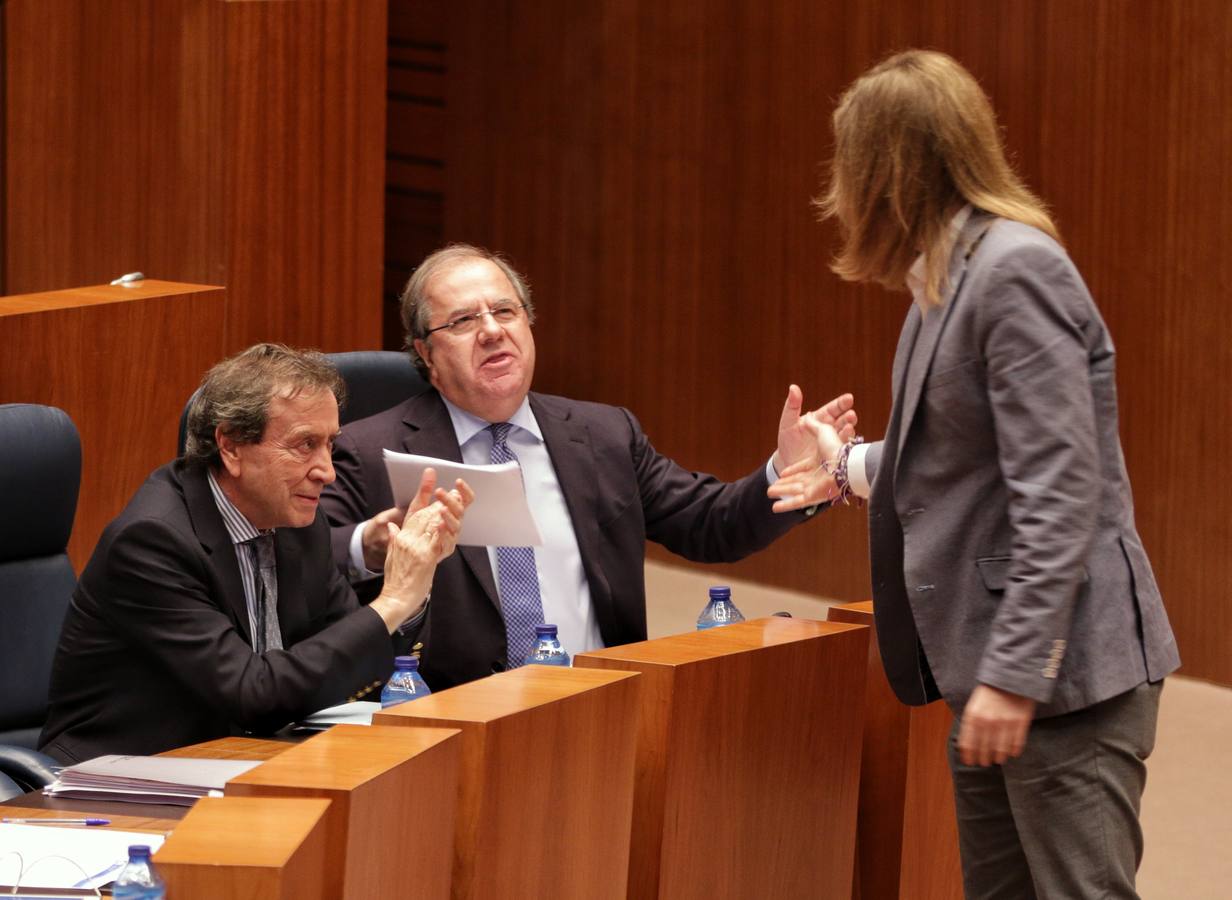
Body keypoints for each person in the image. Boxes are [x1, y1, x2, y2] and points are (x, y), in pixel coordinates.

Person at [769, 50, 1179, 899]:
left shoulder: (1015, 271)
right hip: (989, 668)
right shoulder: (946, 279)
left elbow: (1063, 493)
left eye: (846, 169)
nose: (837, 196)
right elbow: (962, 456)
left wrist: (1015, 675)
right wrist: (841, 468)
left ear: (885, 170)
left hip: (1061, 685)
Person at [321, 243, 851, 689]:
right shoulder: (370, 449)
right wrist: (368, 543)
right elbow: (304, 560)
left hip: (601, 706)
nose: (491, 331)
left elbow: (712, 526)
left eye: (505, 312)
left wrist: (783, 472)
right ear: (426, 355)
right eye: (462, 321)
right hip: (451, 727)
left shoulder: (603, 435)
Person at [39, 344, 473, 763]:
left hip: (241, 759)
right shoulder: (153, 542)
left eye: (330, 444)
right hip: (119, 777)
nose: (327, 471)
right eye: (306, 445)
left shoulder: (296, 520)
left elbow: (345, 649)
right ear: (230, 446)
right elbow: (253, 693)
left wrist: (411, 582)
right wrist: (393, 600)